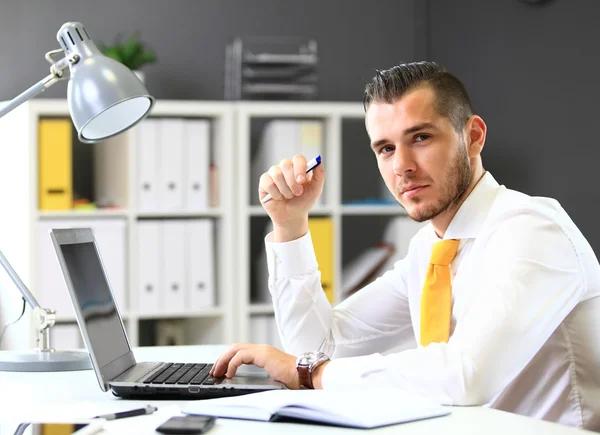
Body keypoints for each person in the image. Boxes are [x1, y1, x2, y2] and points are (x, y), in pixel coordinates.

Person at [210, 61, 600, 429]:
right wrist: (289, 223)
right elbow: (319, 346)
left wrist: (312, 373)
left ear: (474, 136)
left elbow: (468, 375)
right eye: (386, 148)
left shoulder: (531, 230)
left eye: (421, 137)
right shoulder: (428, 250)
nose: (402, 166)